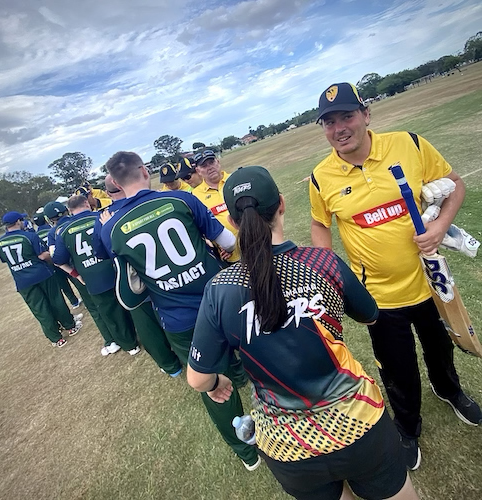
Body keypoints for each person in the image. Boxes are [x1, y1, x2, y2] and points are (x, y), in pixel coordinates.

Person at [187, 166, 418, 500]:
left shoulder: (220, 289)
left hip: (287, 447)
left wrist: (216, 383)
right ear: (281, 204)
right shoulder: (323, 263)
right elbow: (369, 316)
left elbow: (197, 379)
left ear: (233, 223)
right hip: (359, 422)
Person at [309, 82, 482, 470]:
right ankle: (407, 426)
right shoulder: (322, 176)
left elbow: (456, 184)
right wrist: (327, 268)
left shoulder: (410, 144)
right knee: (398, 369)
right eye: (329, 121)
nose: (339, 128)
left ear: (366, 115)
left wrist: (440, 229)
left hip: (430, 283)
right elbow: (321, 225)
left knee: (440, 349)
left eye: (347, 116)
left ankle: (449, 389)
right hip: (380, 297)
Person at [100, 151, 260, 470]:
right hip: (222, 297)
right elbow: (228, 242)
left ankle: (247, 451)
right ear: (146, 172)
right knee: (254, 352)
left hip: (178, 318)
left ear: (115, 183)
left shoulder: (110, 228)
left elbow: (130, 288)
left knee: (209, 380)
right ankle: (270, 407)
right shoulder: (180, 200)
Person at [91, 175, 182, 374]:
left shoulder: (104, 219)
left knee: (146, 323)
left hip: (136, 279)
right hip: (170, 269)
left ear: (108, 193)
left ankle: (170, 365)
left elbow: (102, 253)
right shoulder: (152, 199)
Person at [53, 195, 141, 356]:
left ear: (70, 211)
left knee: (110, 313)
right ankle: (143, 333)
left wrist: (76, 274)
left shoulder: (64, 231)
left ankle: (130, 345)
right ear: (86, 203)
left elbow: (58, 260)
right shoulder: (101, 217)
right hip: (116, 269)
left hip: (92, 277)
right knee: (133, 303)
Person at [0, 211, 82, 347]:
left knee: (39, 309)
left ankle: (56, 338)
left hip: (22, 281)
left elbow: (5, 260)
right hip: (42, 274)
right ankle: (70, 326)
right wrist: (52, 258)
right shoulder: (29, 236)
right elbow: (42, 256)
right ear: (18, 222)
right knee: (55, 300)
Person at [192, 149, 240, 263]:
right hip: (229, 257)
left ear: (218, 162)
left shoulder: (236, 179)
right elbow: (200, 227)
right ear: (198, 171)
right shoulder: (195, 196)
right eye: (204, 165)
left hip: (256, 246)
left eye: (211, 162)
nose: (209, 167)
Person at [33, 209, 82, 309]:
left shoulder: (36, 235)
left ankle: (74, 302)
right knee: (74, 278)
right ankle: (83, 294)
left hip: (51, 263)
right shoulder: (51, 230)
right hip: (64, 258)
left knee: (63, 284)